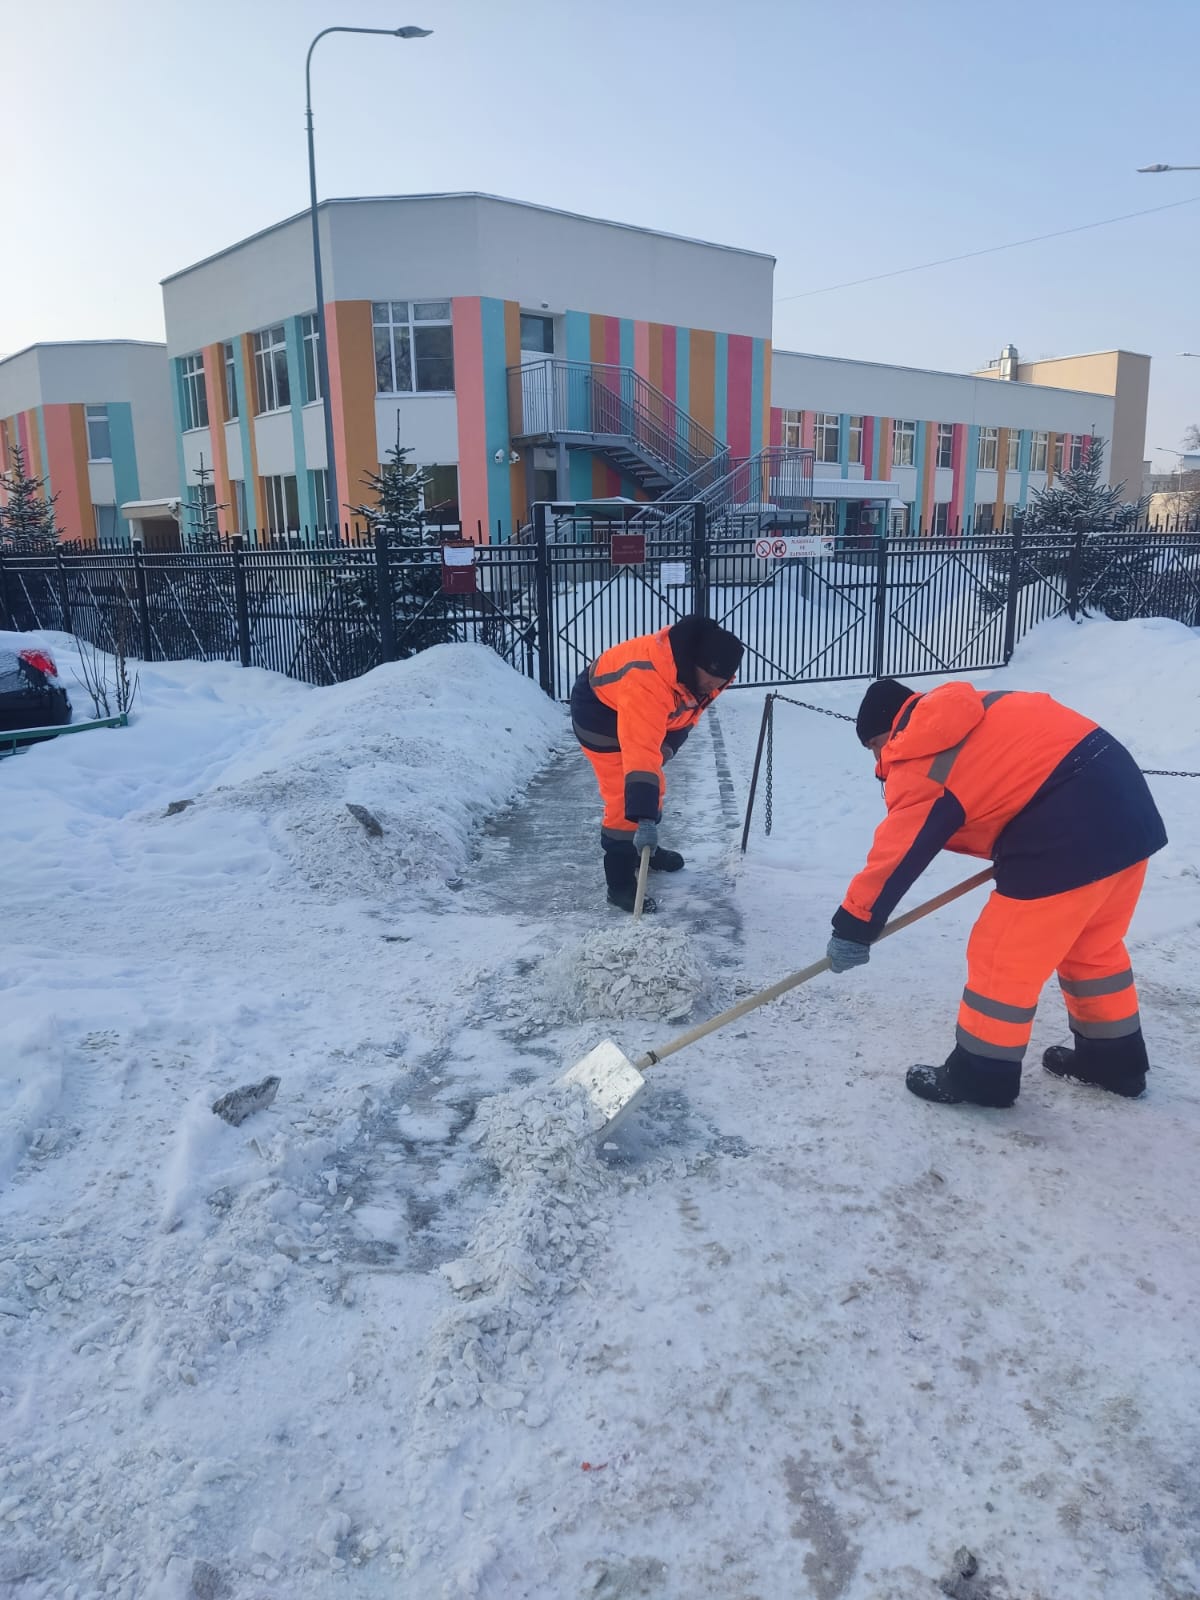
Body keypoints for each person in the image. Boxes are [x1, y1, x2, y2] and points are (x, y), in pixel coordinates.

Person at [826, 677, 1167, 1108]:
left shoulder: (921, 750)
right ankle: (1114, 1063)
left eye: (874, 750)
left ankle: (981, 1077)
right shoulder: (980, 707)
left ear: (884, 734)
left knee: (1001, 958)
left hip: (1066, 833)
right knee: (1092, 948)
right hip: (1128, 810)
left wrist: (853, 926)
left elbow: (897, 854)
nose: (878, 763)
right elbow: (1021, 768)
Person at [571, 615, 745, 913]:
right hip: (599, 715)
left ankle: (644, 852)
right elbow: (640, 754)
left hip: (645, 713)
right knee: (623, 797)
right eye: (709, 681)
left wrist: (669, 745)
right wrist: (645, 818)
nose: (711, 688)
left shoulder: (706, 675)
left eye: (719, 684)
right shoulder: (649, 678)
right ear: (694, 663)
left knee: (651, 783)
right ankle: (620, 883)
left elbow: (691, 712)